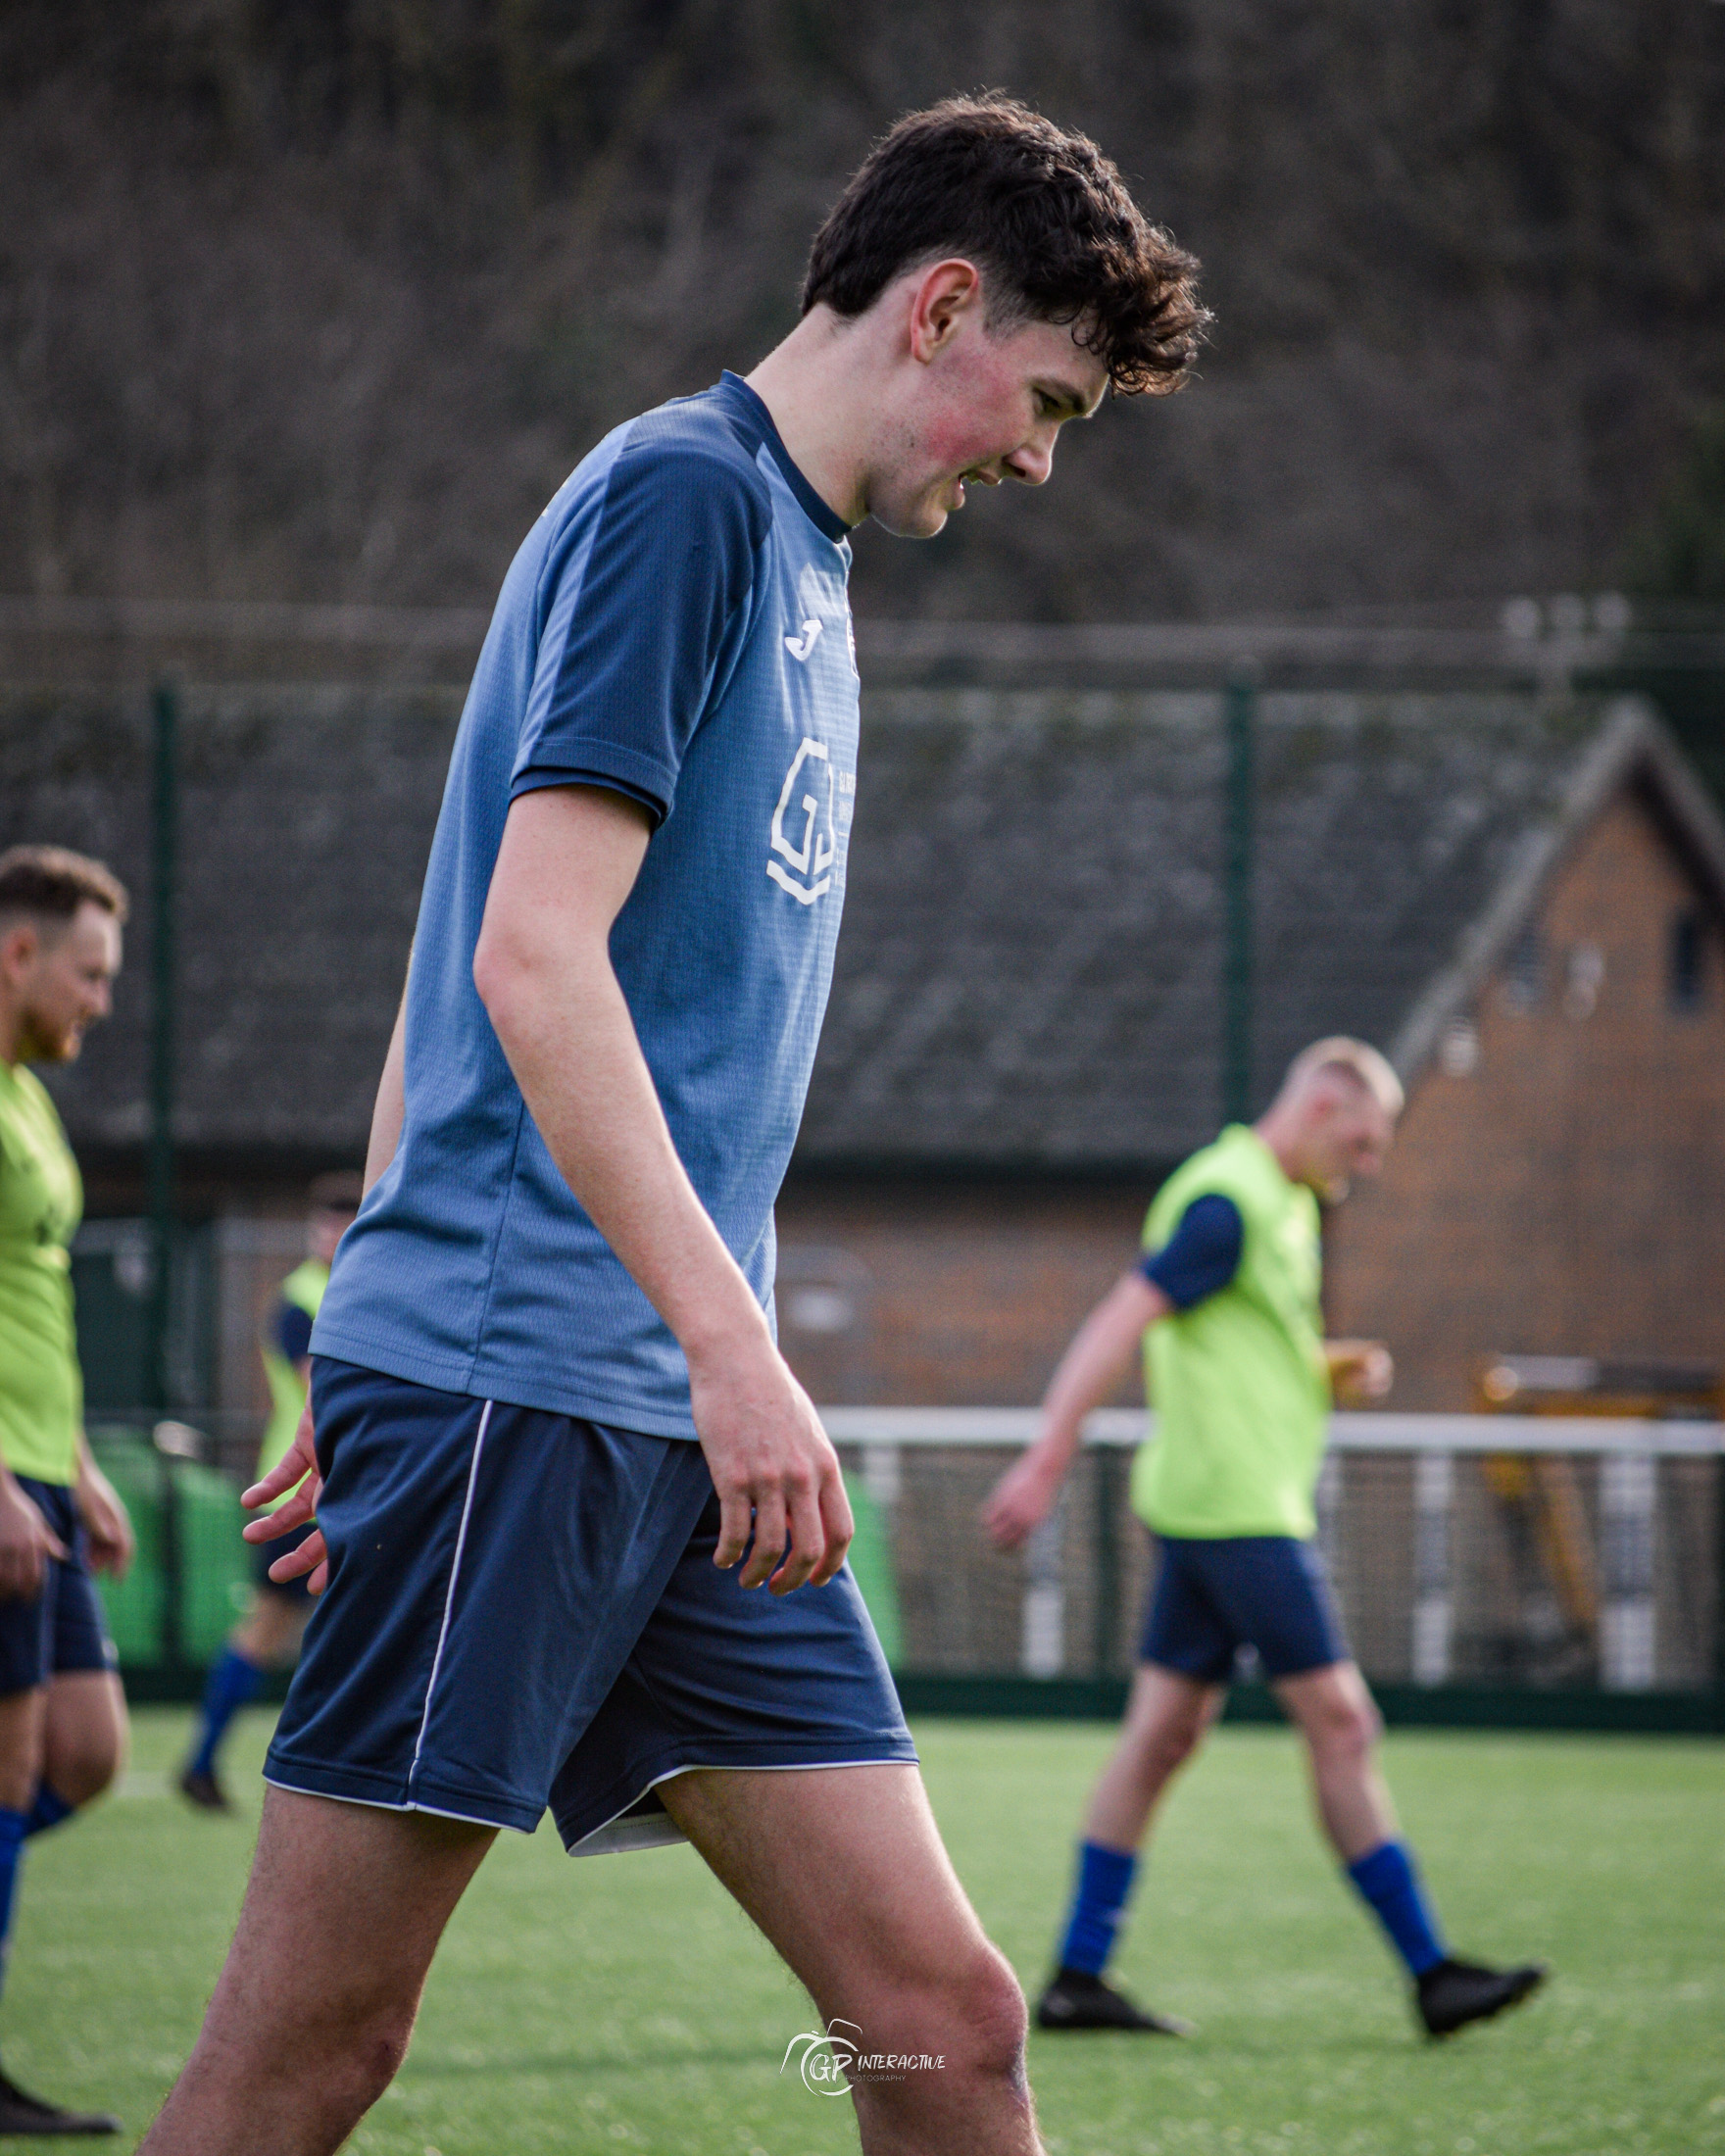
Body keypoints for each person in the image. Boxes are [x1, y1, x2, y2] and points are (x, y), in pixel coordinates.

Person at [138, 96, 1208, 2156]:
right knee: (309, 2054)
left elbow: (460, 936)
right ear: (944, 306)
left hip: (647, 1417)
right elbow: (530, 960)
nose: (1040, 457)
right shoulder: (682, 504)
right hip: (527, 1391)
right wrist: (727, 1347)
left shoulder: (793, 550)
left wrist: (403, 1280)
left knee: (940, 2018)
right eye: (1046, 397)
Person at [983, 1039, 1548, 2042]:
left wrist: (1321, 1369)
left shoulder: (1283, 1204)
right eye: (1364, 1142)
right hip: (1236, 1510)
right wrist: (1046, 1455)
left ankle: (1075, 1977)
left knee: (1161, 1736)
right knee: (1340, 1721)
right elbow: (1125, 1316)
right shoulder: (1229, 1200)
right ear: (1322, 1108)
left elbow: (1232, 1343)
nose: (1367, 1165)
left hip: (1215, 1503)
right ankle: (1430, 1972)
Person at [0, 846, 136, 2136]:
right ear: (16, 953)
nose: (101, 999)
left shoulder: (32, 1096)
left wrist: (80, 1470)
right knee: (7, 1766)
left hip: (41, 1470)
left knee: (89, 1751)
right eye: (88, 974)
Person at [179, 1174, 363, 1811]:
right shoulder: (300, 1300)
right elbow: (324, 1383)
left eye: (341, 1226)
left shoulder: (365, 1290)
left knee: (324, 1631)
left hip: (355, 1484)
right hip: (305, 1488)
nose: (329, 1238)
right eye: (321, 1226)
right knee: (271, 1629)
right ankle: (204, 1761)